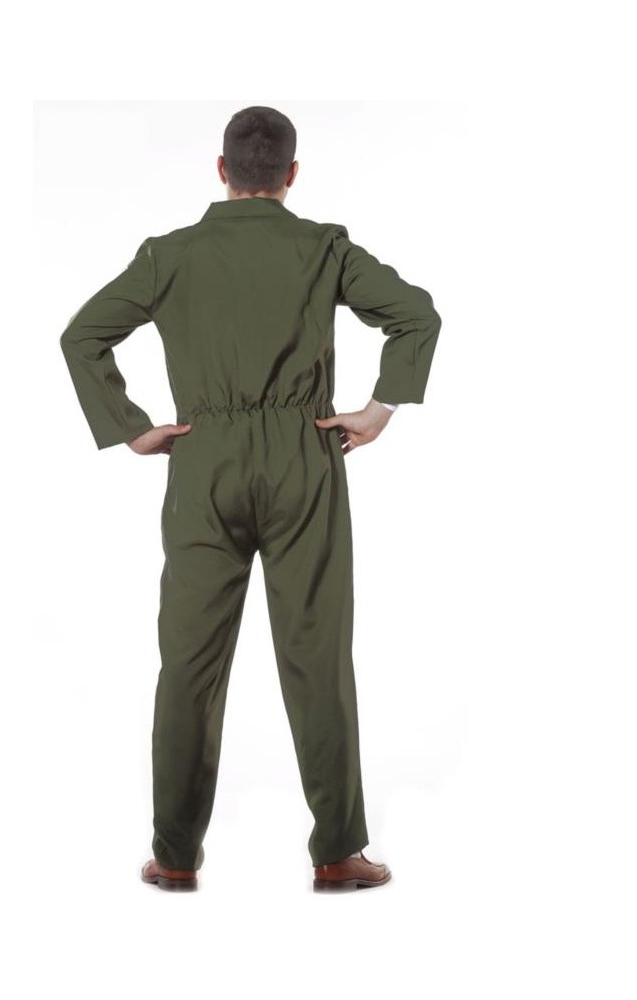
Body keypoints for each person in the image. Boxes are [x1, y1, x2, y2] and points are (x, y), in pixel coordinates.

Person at [59, 105, 442, 892]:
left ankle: (173, 857)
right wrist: (379, 409)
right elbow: (415, 314)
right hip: (304, 455)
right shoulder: (323, 247)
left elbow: (82, 335)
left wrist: (131, 429)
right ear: (291, 174)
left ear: (221, 170)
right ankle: (336, 854)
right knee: (317, 656)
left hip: (203, 458)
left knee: (188, 663)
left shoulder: (169, 254)